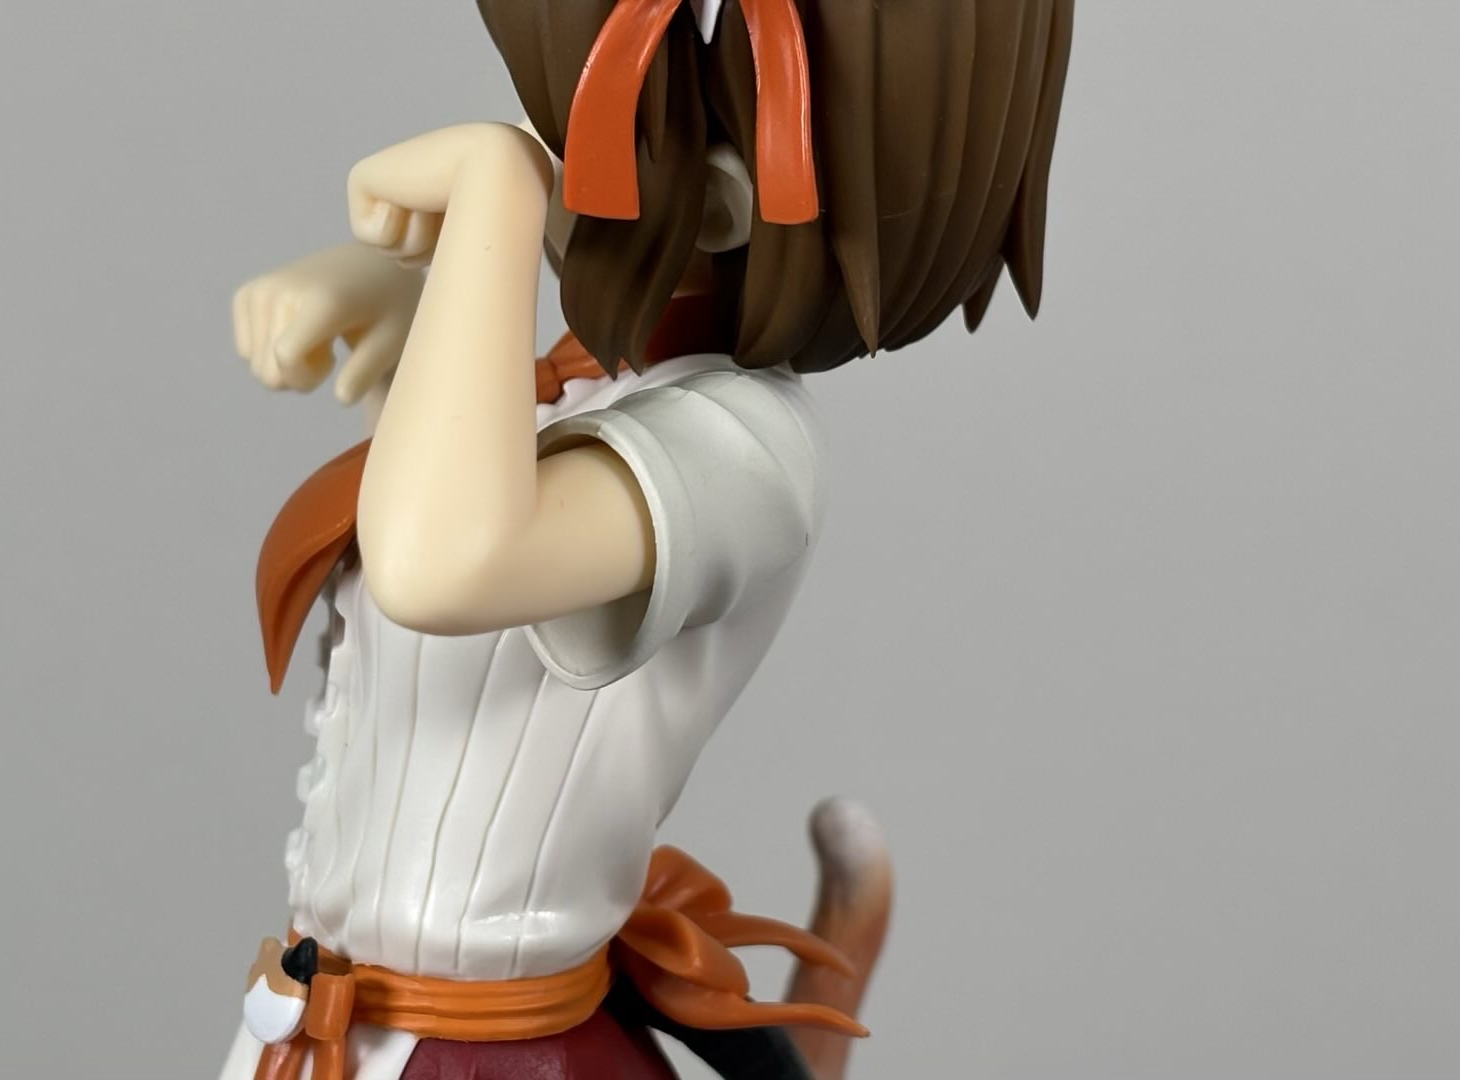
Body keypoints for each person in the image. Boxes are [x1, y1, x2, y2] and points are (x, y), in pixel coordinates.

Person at [220, 2, 1074, 1077]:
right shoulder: (581, 391)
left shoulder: (747, 449)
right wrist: (414, 319)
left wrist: (494, 197)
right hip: (324, 1037)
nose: (549, 158)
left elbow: (446, 564)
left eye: (574, 134)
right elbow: (460, 638)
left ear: (718, 199)